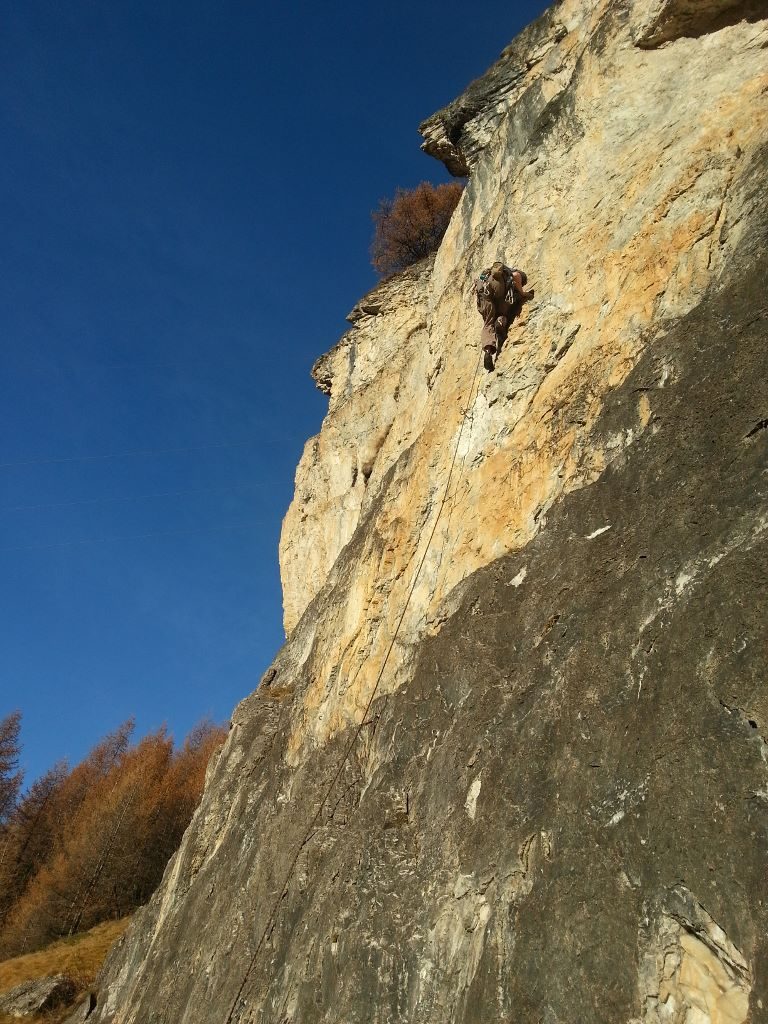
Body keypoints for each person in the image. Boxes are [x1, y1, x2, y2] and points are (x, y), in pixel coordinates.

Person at [475, 261, 534, 371]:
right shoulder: (516, 275)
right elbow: (516, 279)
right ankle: (500, 322)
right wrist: (523, 294)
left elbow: (477, 285)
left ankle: (488, 350)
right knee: (504, 311)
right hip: (498, 293)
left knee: (488, 323)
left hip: (484, 295)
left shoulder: (487, 273)